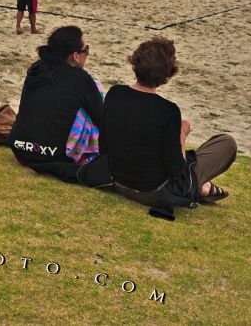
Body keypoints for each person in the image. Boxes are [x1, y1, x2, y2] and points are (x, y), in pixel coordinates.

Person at [101, 36, 237, 214]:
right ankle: (201, 187)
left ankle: (203, 186)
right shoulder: (167, 111)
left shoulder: (115, 94)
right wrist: (182, 134)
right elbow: (177, 170)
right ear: (168, 73)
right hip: (153, 191)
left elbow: (104, 143)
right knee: (226, 143)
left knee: (179, 155)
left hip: (116, 180)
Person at [7, 25, 104, 183]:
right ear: (75, 56)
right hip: (54, 156)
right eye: (86, 50)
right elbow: (101, 118)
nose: (87, 54)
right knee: (95, 93)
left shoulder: (35, 69)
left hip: (20, 151)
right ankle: (88, 152)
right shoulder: (82, 79)